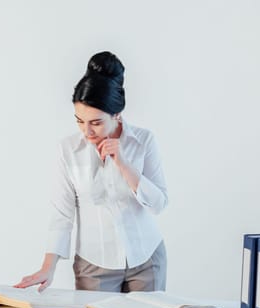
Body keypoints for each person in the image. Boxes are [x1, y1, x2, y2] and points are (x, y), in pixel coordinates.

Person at [14, 51, 168, 293]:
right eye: (79, 121)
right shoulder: (68, 150)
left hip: (146, 259)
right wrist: (47, 267)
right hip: (94, 266)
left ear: (117, 114)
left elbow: (159, 204)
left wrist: (124, 165)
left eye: (95, 122)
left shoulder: (144, 141)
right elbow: (62, 214)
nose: (87, 131)